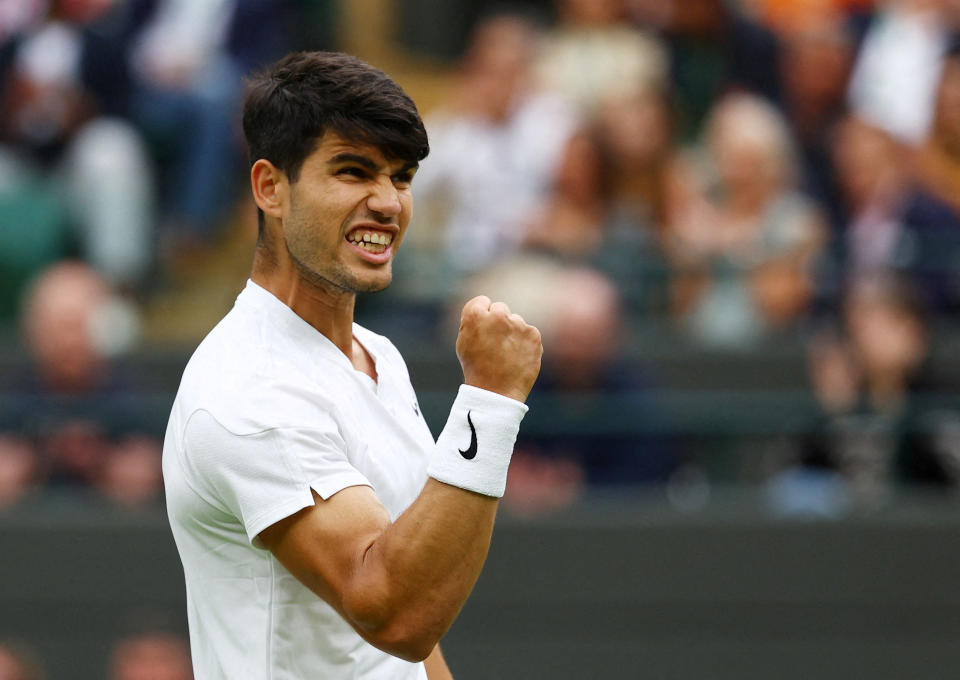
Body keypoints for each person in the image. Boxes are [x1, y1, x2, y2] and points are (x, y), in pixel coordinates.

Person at [161, 51, 543, 679]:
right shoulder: (249, 391)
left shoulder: (377, 356)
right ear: (270, 188)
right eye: (353, 170)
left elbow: (418, 637)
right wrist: (491, 401)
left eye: (401, 176)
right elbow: (395, 614)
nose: (388, 203)